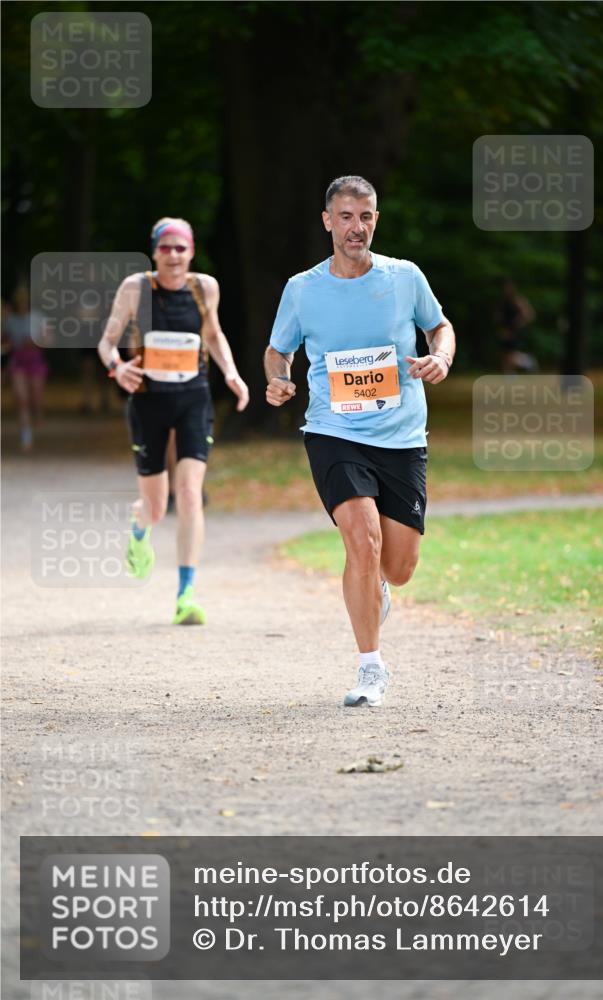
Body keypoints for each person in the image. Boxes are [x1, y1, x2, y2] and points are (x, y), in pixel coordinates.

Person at [265, 176, 455, 707]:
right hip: (334, 431)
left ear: (376, 219)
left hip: (401, 435)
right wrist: (279, 378)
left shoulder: (404, 278)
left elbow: (440, 327)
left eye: (366, 216)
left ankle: (379, 589)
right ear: (327, 220)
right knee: (361, 540)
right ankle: (371, 669)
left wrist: (440, 357)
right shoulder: (303, 288)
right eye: (346, 216)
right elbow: (278, 350)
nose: (357, 227)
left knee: (397, 566)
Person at [98, 217, 249, 624]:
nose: (173, 255)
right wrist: (117, 367)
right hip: (148, 402)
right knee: (154, 506)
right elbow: (107, 341)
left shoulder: (205, 288)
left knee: (188, 493)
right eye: (165, 247)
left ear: (192, 251)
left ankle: (186, 594)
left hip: (193, 400)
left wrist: (232, 374)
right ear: (154, 251)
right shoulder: (136, 288)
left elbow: (213, 334)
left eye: (180, 247)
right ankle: (138, 526)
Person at [3, 284, 49, 452]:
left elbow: (49, 340)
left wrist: (36, 342)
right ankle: (26, 433)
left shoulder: (39, 317)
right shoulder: (10, 320)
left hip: (36, 360)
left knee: (35, 398)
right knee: (22, 400)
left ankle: (38, 414)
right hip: (18, 361)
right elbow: (5, 342)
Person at [496, 279, 538, 374]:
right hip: (505, 330)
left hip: (514, 331)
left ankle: (527, 361)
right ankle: (510, 375)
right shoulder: (502, 301)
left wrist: (517, 325)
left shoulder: (518, 300)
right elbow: (498, 316)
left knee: (510, 355)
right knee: (504, 355)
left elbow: (529, 315)